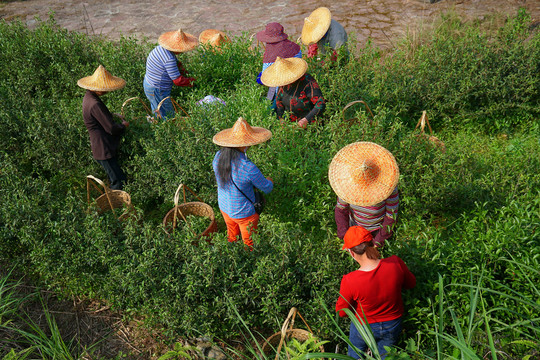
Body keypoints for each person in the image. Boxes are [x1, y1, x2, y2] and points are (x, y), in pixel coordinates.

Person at [336, 226, 416, 359]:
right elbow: (411, 284)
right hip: (392, 323)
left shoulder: (350, 280)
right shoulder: (395, 263)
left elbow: (342, 312)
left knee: (355, 356)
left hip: (363, 326)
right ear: (373, 244)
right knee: (386, 356)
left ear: (351, 252)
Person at [212, 117, 274, 249]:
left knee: (232, 236)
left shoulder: (218, 157)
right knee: (249, 242)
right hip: (243, 213)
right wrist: (270, 180)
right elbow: (267, 188)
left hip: (224, 207)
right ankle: (248, 259)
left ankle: (231, 255)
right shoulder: (248, 167)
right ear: (244, 144)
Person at [328, 142, 400, 247]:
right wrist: (345, 236)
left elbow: (391, 217)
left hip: (377, 230)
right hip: (356, 229)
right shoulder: (347, 185)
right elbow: (341, 210)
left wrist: (377, 243)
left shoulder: (388, 185)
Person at [78, 65, 129, 190]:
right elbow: (111, 128)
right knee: (118, 181)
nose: (107, 91)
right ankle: (116, 205)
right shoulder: (94, 104)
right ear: (98, 89)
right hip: (103, 148)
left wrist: (110, 115)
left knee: (116, 176)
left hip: (100, 147)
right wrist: (123, 126)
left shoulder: (89, 97)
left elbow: (98, 117)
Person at [143, 28, 198, 120]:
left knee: (157, 109)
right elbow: (178, 81)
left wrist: (185, 72)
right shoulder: (169, 59)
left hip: (149, 84)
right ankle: (166, 131)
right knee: (168, 115)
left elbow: (177, 65)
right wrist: (194, 81)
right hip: (157, 89)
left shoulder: (160, 48)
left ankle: (156, 123)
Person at [261, 57, 325, 128]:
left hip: (310, 125)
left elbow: (320, 103)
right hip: (292, 126)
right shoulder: (282, 84)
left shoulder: (308, 82)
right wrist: (281, 120)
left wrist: (306, 120)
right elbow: (279, 104)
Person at [255, 22, 302, 107]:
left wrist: (259, 78)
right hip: (298, 84)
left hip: (281, 91)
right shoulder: (296, 49)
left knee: (270, 108)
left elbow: (265, 77)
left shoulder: (269, 58)